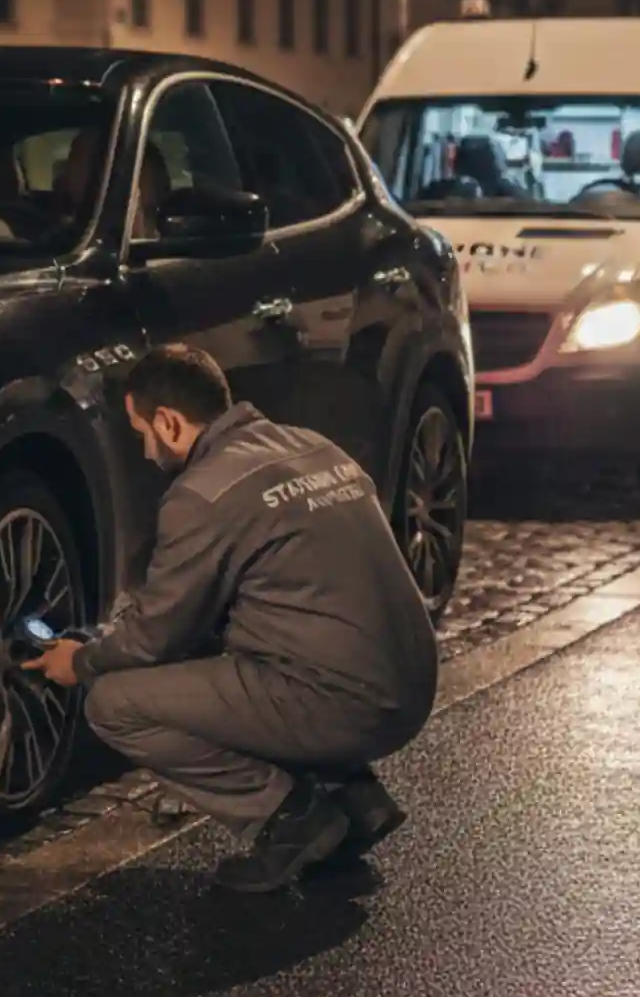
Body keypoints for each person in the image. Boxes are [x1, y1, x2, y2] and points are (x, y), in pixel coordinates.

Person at [25, 344, 440, 892]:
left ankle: (292, 821)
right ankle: (353, 796)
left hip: (350, 701)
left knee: (115, 705)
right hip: (413, 682)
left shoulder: (203, 493)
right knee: (232, 652)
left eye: (142, 433)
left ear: (169, 423)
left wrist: (80, 660)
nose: (147, 453)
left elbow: (154, 638)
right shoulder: (311, 446)